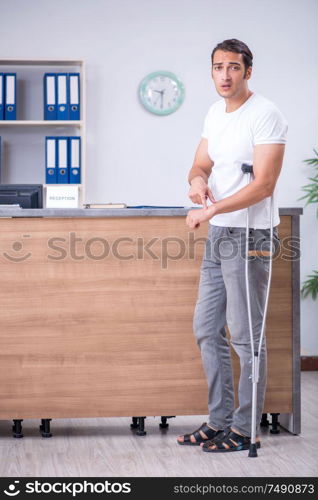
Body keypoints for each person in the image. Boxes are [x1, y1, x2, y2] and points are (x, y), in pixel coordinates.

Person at [177, 39, 287, 452]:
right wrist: (196, 183)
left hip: (249, 234)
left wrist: (210, 210)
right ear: (211, 71)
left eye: (234, 67)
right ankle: (219, 421)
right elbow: (200, 163)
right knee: (207, 329)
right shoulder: (214, 112)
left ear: (248, 71)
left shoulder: (265, 115)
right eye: (218, 67)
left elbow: (264, 184)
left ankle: (245, 429)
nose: (225, 75)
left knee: (245, 337)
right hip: (220, 233)